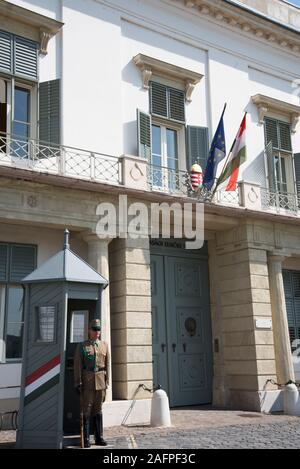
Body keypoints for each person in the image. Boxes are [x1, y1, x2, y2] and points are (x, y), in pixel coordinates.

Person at [74, 318, 109, 447]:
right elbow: (78, 365)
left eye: (98, 330)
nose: (97, 332)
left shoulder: (104, 345)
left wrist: (107, 381)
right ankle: (86, 438)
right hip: (87, 382)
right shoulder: (83, 346)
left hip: (100, 382)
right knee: (86, 410)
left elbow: (107, 365)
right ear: (89, 331)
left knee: (98, 410)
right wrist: (77, 382)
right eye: (94, 329)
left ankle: (99, 437)